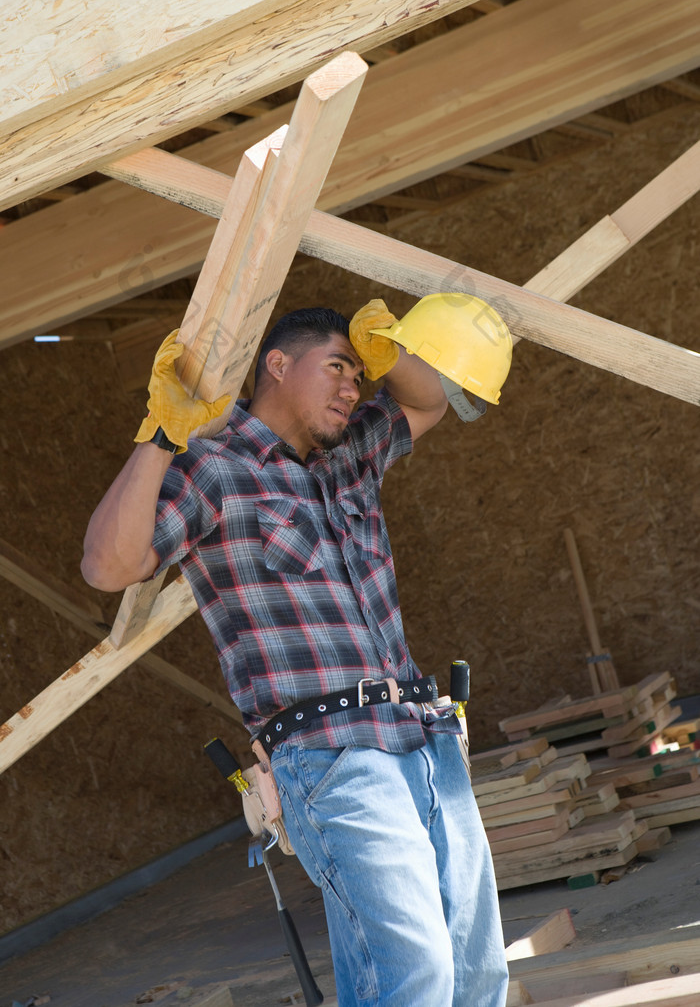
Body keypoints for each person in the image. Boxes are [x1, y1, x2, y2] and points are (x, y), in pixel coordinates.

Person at [82, 297, 510, 1007]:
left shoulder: (351, 456)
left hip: (424, 743)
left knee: (475, 973)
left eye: (358, 372)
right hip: (334, 758)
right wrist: (160, 436)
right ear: (277, 366)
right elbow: (107, 564)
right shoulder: (213, 470)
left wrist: (388, 350)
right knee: (418, 975)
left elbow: (428, 402)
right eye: (337, 367)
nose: (354, 387)